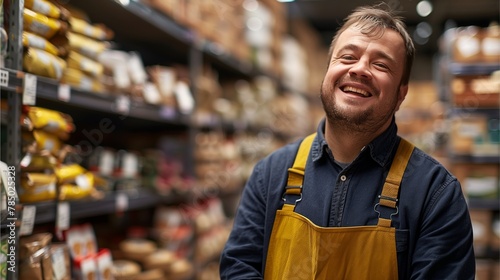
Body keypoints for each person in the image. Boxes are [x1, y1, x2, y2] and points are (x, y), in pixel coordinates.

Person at [219, 3, 476, 280]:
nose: (360, 69)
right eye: (347, 57)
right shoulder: (270, 175)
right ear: (327, 72)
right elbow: (239, 269)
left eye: (381, 64)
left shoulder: (435, 193)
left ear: (401, 94)